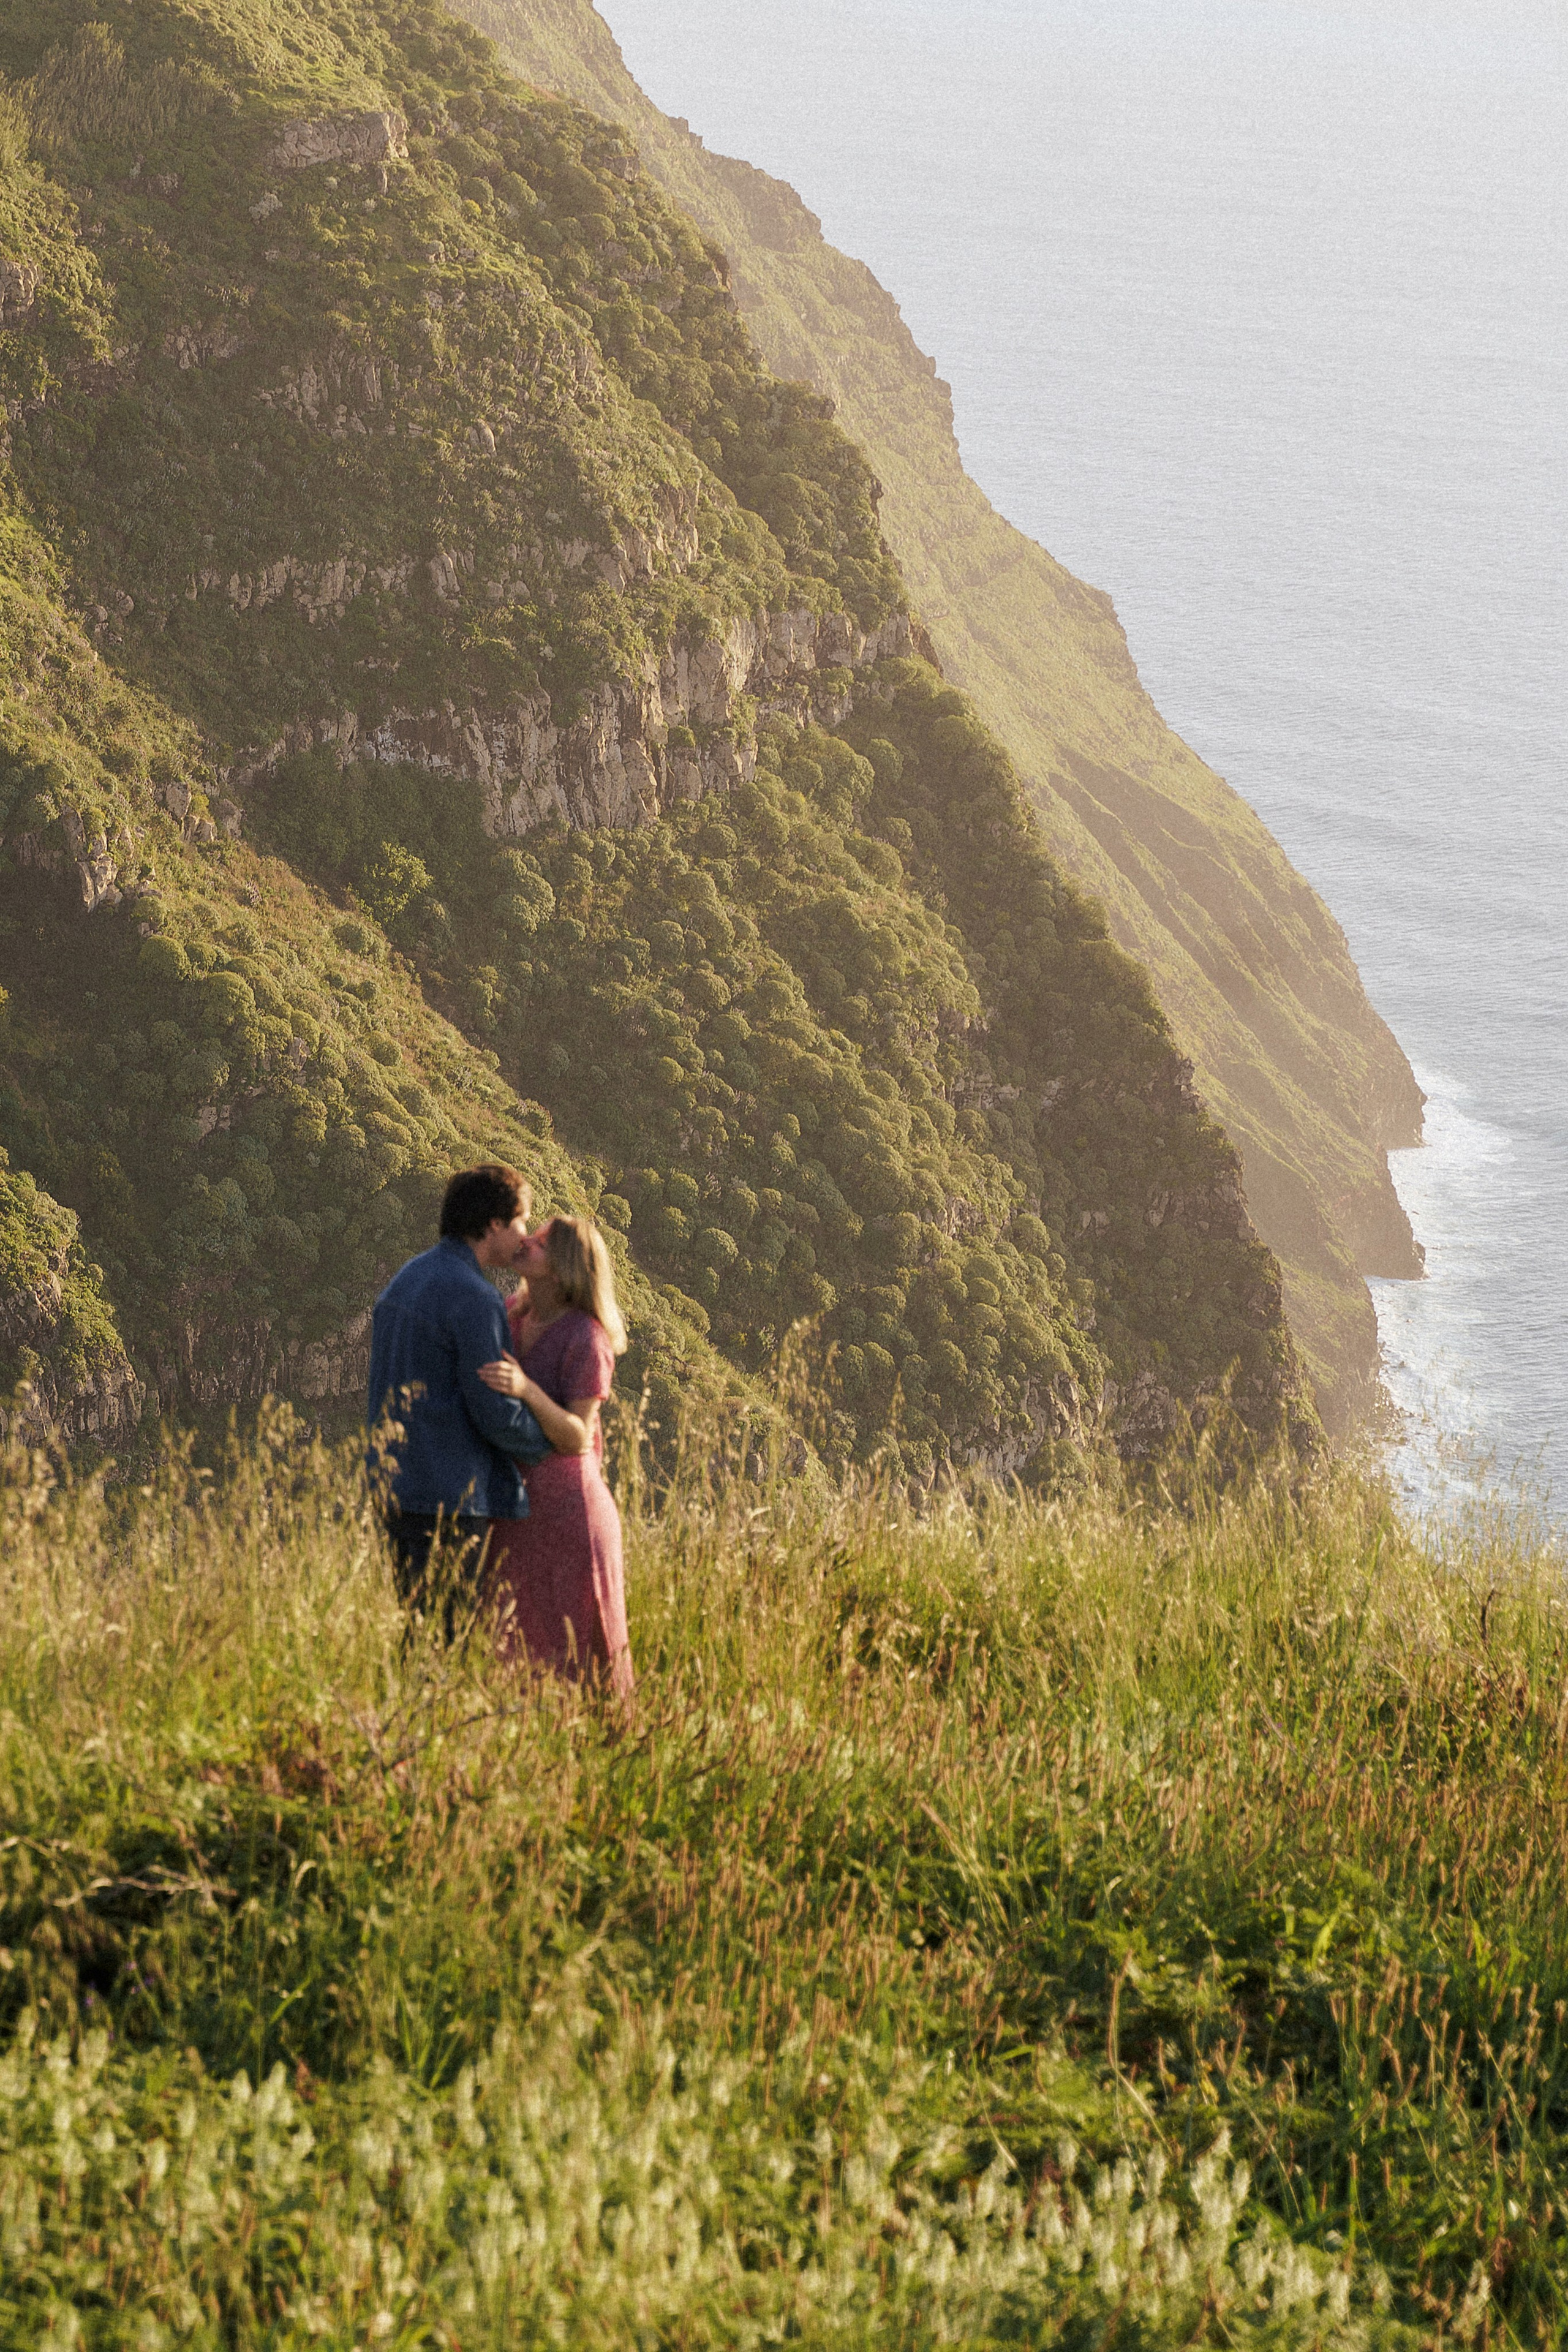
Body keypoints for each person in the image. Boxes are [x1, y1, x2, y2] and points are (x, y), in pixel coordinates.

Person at [368, 1163, 550, 1635]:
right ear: (495, 1223)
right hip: (450, 1494)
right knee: (451, 1638)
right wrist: (550, 1441)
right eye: (521, 1221)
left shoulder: (406, 1280)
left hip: (396, 1484)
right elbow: (493, 1409)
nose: (524, 1235)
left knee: (418, 1632)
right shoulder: (475, 1298)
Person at [477, 1214, 633, 1694]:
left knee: (578, 1660)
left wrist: (526, 1389)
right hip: (515, 1514)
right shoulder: (514, 1313)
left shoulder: (587, 1338)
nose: (527, 1242)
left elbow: (578, 1437)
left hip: (569, 1520)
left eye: (542, 1243)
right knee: (510, 1654)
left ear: (565, 1268)